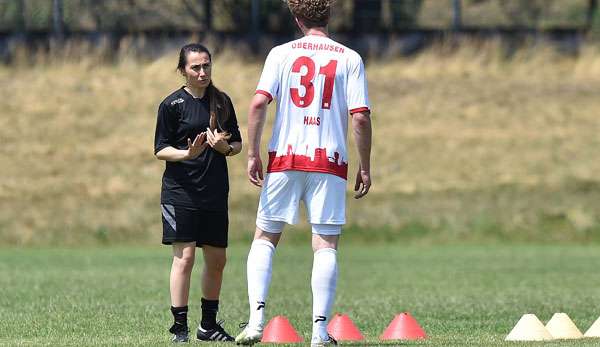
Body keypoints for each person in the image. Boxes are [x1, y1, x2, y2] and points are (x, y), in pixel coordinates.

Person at [235, 1, 372, 346]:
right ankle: (319, 333)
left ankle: (255, 322)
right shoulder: (349, 58)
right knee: (325, 244)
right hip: (329, 161)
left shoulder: (280, 54)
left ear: (297, 18)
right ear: (329, 16)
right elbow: (360, 116)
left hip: (285, 158)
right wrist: (365, 165)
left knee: (265, 237)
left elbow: (257, 103)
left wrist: (252, 153)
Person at [154, 43, 242, 343]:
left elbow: (237, 143)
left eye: (206, 66)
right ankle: (179, 328)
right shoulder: (171, 105)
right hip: (181, 192)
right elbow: (160, 149)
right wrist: (187, 154)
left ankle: (208, 326)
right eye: (196, 67)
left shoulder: (222, 101)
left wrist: (224, 148)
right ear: (183, 70)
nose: (202, 72)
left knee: (217, 259)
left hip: (215, 192)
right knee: (185, 257)